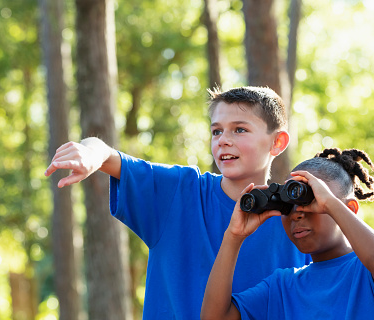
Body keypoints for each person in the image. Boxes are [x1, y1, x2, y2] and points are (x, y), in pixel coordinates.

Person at [44, 86, 310, 319]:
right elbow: (107, 154)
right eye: (216, 131)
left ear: (277, 142)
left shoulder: (298, 215)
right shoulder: (179, 191)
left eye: (239, 129)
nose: (223, 140)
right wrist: (91, 154)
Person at [201, 148, 374, 320]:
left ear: (349, 209)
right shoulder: (282, 287)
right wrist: (233, 236)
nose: (296, 214)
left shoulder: (366, 271)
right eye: (287, 206)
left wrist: (329, 203)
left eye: (311, 202)